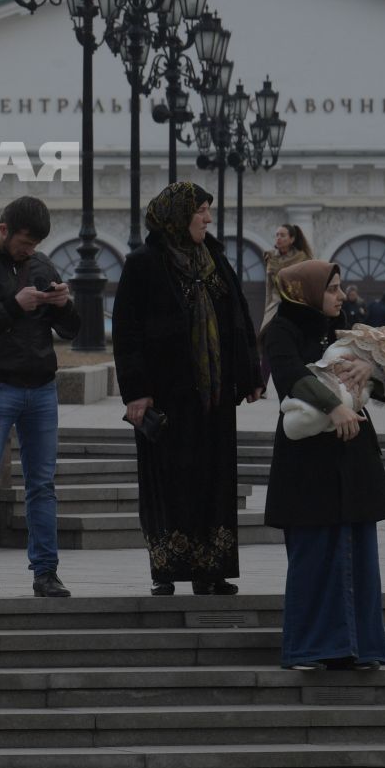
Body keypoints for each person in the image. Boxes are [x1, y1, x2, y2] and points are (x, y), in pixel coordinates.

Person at [113, 182, 264, 596]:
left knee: (213, 482)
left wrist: (250, 374)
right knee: (170, 481)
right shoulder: (144, 264)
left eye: (208, 211)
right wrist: (137, 393)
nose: (208, 219)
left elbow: (238, 317)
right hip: (168, 399)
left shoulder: (214, 259)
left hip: (213, 400)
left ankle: (210, 570)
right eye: (201, 210)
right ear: (178, 215)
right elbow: (127, 335)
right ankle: (167, 568)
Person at [263, 258, 385, 671]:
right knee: (315, 556)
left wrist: (371, 369)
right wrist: (334, 406)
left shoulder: (341, 330)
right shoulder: (280, 330)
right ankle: (312, 647)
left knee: (358, 553)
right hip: (309, 465)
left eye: (340, 287)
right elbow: (290, 376)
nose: (341, 295)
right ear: (307, 291)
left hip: (352, 457)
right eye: (333, 287)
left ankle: (360, 648)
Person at [0, 196, 80, 600]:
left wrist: (63, 305)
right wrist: (12, 305)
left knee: (42, 484)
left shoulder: (41, 266)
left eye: (35, 244)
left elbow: (72, 331)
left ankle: (46, 573)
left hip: (41, 388)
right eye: (24, 243)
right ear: (3, 230)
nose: (29, 251)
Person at [260, 224, 312, 332]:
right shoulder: (271, 257)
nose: (278, 238)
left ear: (292, 239)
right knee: (265, 332)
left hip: (294, 302)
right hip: (275, 302)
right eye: (277, 235)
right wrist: (267, 307)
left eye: (283, 235)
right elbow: (269, 286)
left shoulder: (301, 258)